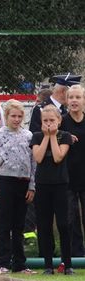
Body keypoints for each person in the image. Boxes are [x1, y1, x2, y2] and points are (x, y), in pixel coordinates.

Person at [0, 100, 36, 274]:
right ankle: (2, 263)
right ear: (6, 116)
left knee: (19, 225)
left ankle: (20, 264)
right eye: (13, 116)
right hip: (6, 182)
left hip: (24, 182)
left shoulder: (28, 136)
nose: (16, 119)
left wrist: (32, 186)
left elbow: (33, 163)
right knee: (4, 223)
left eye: (19, 116)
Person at [31, 105, 74, 275]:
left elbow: (57, 157)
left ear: (59, 120)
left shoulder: (65, 137)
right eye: (45, 121)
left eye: (52, 120)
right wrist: (46, 137)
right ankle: (48, 265)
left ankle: (67, 264)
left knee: (63, 224)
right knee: (44, 225)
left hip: (61, 185)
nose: (48, 124)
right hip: (42, 185)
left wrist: (53, 136)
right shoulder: (36, 136)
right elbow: (39, 157)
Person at [61, 84, 85, 257]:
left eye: (78, 97)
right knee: (71, 218)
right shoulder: (61, 122)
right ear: (66, 100)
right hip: (67, 177)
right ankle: (75, 256)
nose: (74, 101)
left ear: (84, 100)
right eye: (71, 97)